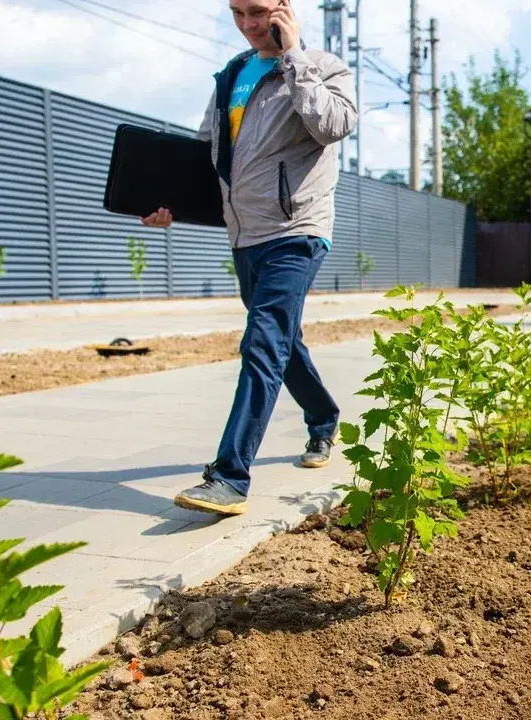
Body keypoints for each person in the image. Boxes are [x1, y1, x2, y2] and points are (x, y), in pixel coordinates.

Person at [140, 0, 358, 516]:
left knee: (262, 342)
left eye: (258, 11)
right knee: (283, 342)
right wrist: (170, 203)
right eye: (237, 12)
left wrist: (294, 57)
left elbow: (334, 125)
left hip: (296, 229)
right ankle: (324, 418)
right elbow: (207, 155)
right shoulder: (232, 75)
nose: (248, 25)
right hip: (245, 235)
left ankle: (229, 478)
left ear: (285, 8)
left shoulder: (323, 66)